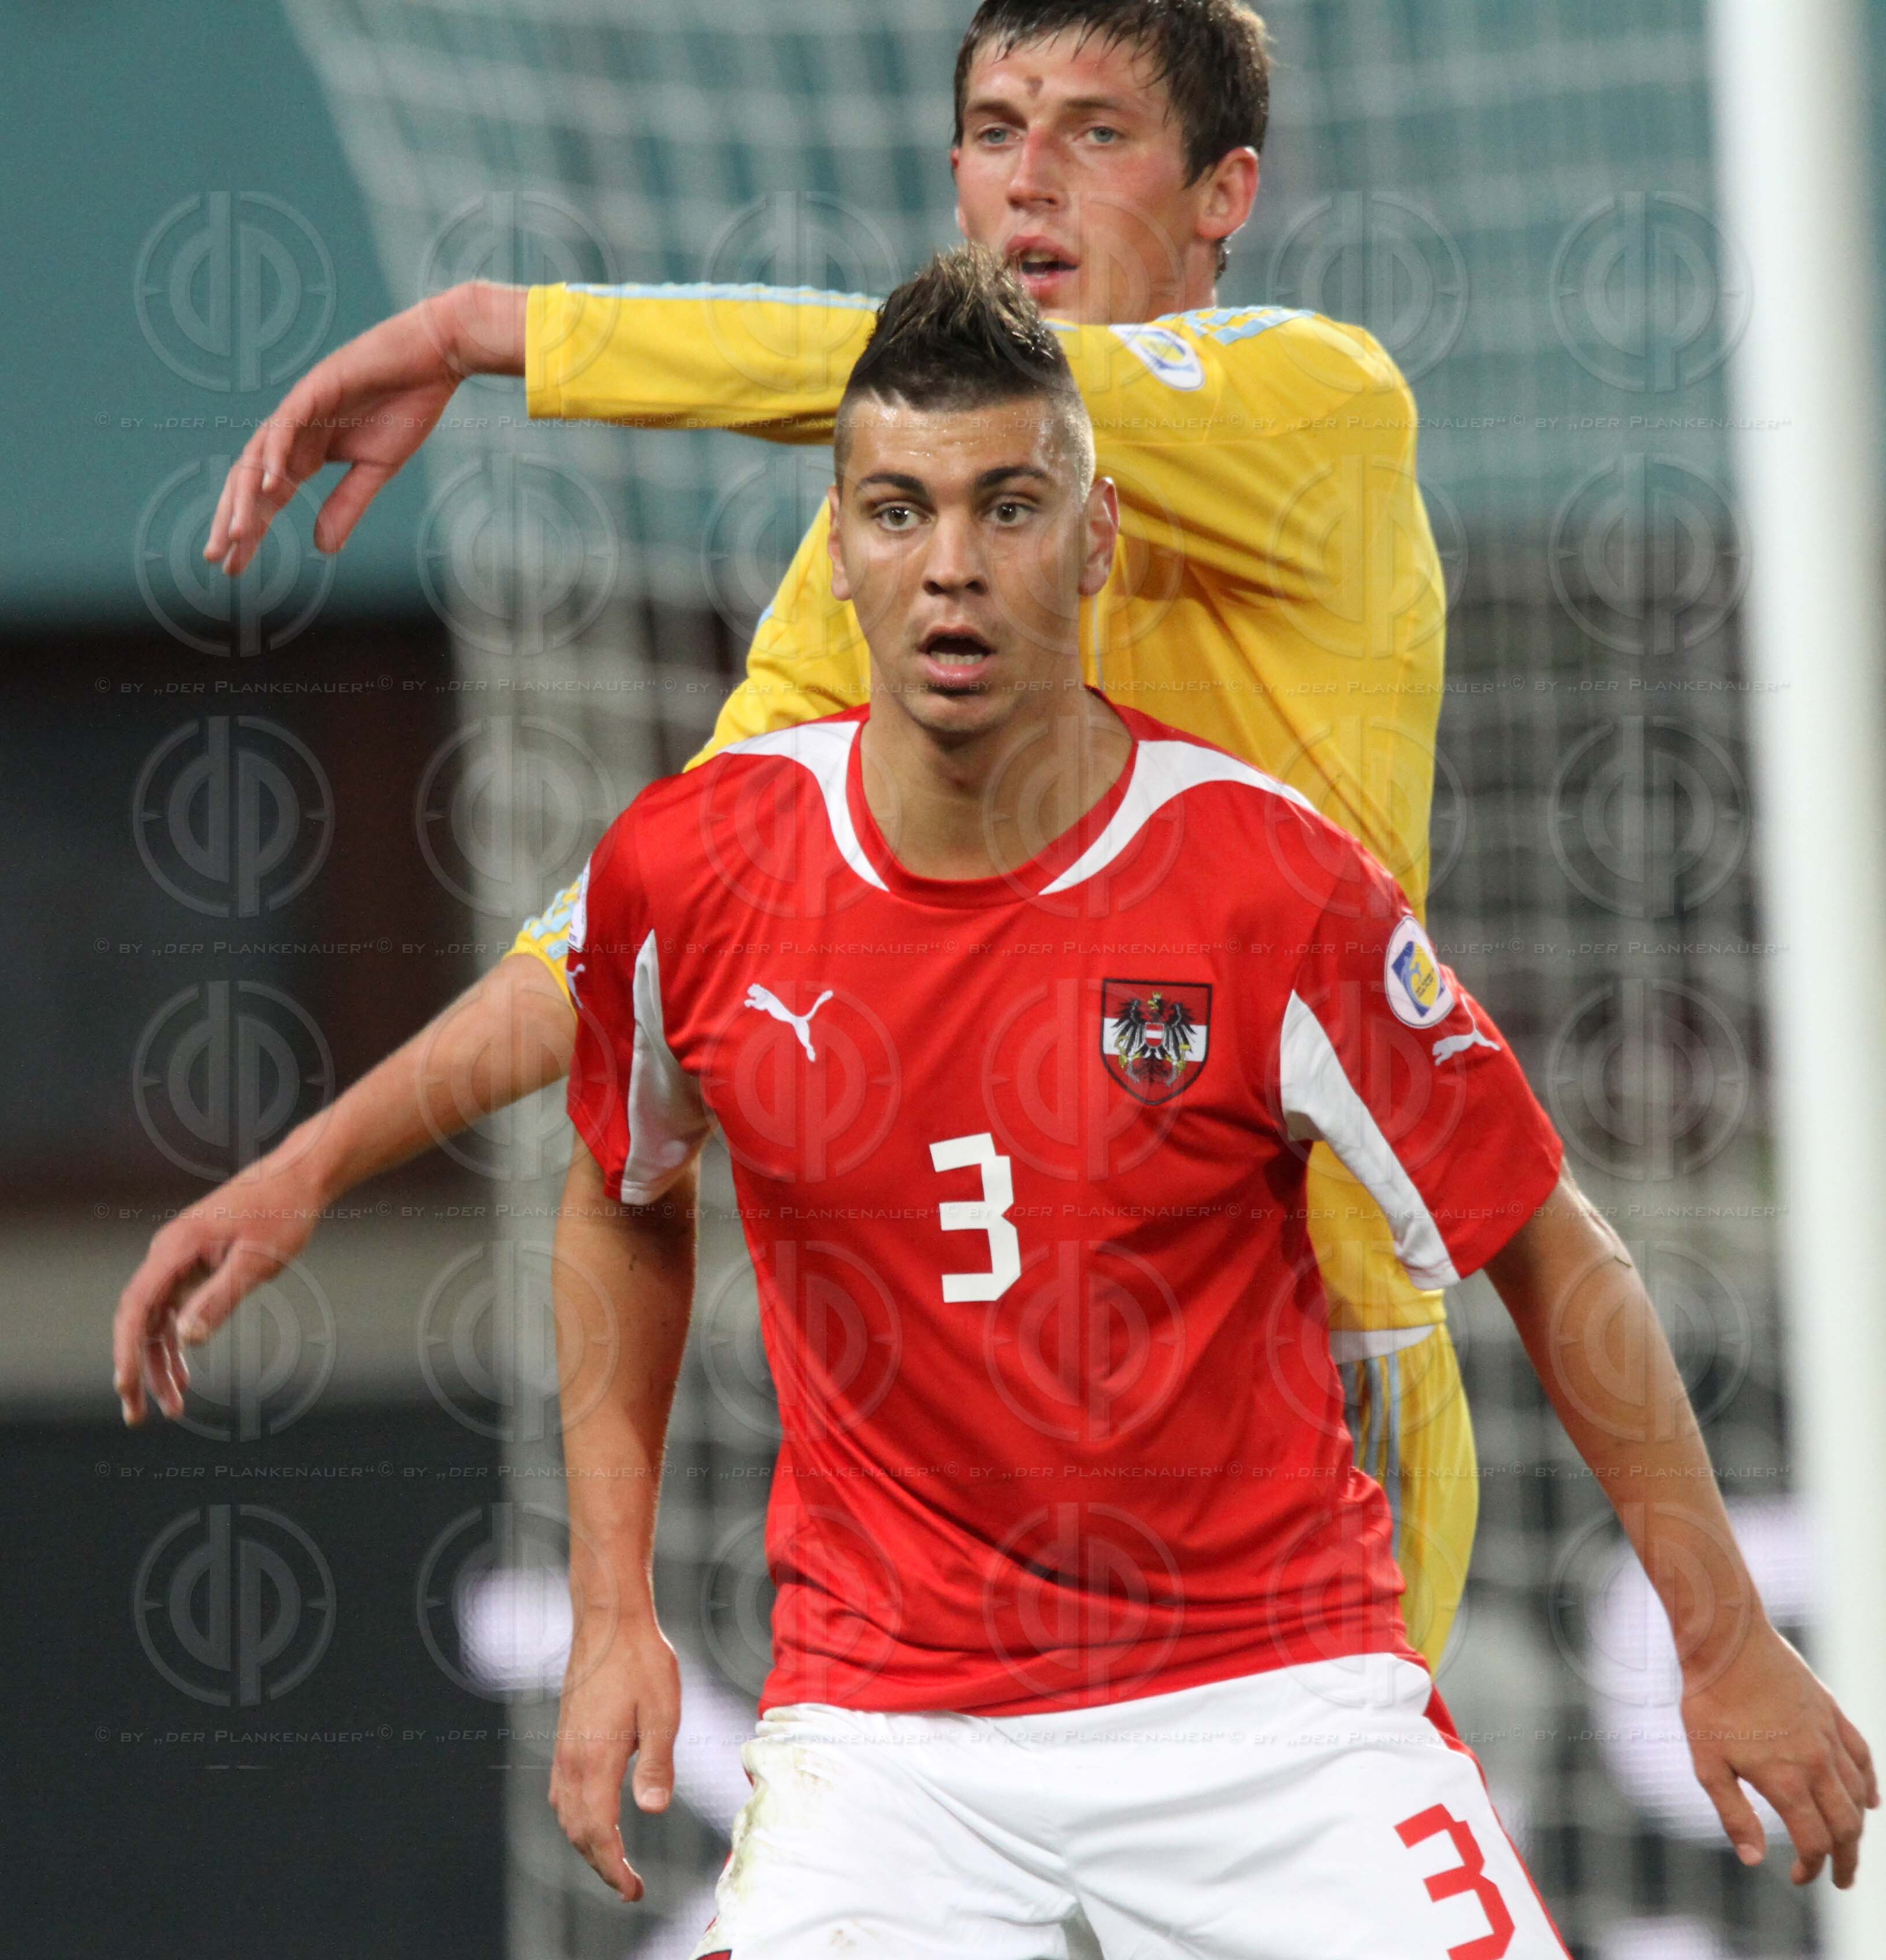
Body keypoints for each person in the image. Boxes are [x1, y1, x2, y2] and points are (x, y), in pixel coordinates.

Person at [547, 250, 1872, 1954]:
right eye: (898, 513)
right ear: (842, 547)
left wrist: (1722, 1636)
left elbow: (1545, 1246)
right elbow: (620, 1195)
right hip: (890, 1743)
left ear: (1097, 538)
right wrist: (609, 1613)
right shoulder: (692, 868)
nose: (953, 568)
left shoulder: (1264, 887)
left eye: (1010, 508)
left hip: (1269, 1711)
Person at [119, 0, 1461, 1664]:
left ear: (1223, 195)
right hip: (993, 1417)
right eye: (993, 131)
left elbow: (961, 388)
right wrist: (315, 1163)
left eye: (1096, 135)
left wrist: (494, 329)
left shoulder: (1317, 404)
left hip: (1292, 1377)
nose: (1029, 183)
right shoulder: (906, 574)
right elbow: (651, 914)